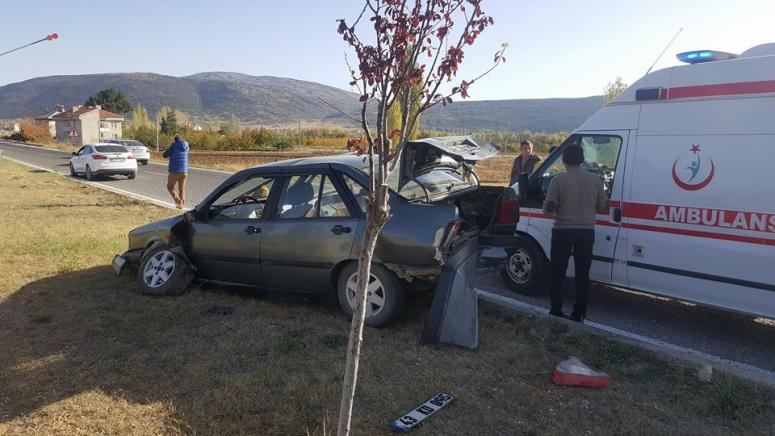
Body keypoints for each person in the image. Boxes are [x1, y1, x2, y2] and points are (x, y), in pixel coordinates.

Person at [542, 144, 609, 323]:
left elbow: (549, 210)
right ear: (582, 159)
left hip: (562, 230)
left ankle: (556, 310)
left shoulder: (558, 180)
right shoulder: (595, 179)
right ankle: (579, 313)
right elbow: (603, 206)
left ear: (564, 160)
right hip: (586, 231)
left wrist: (552, 206)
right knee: (582, 274)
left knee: (558, 272)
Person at [163, 134, 190, 209]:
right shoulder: (187, 145)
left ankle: (178, 201)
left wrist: (166, 152)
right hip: (185, 170)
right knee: (182, 190)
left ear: (175, 140)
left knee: (170, 187)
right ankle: (181, 206)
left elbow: (165, 155)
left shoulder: (174, 145)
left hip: (175, 170)